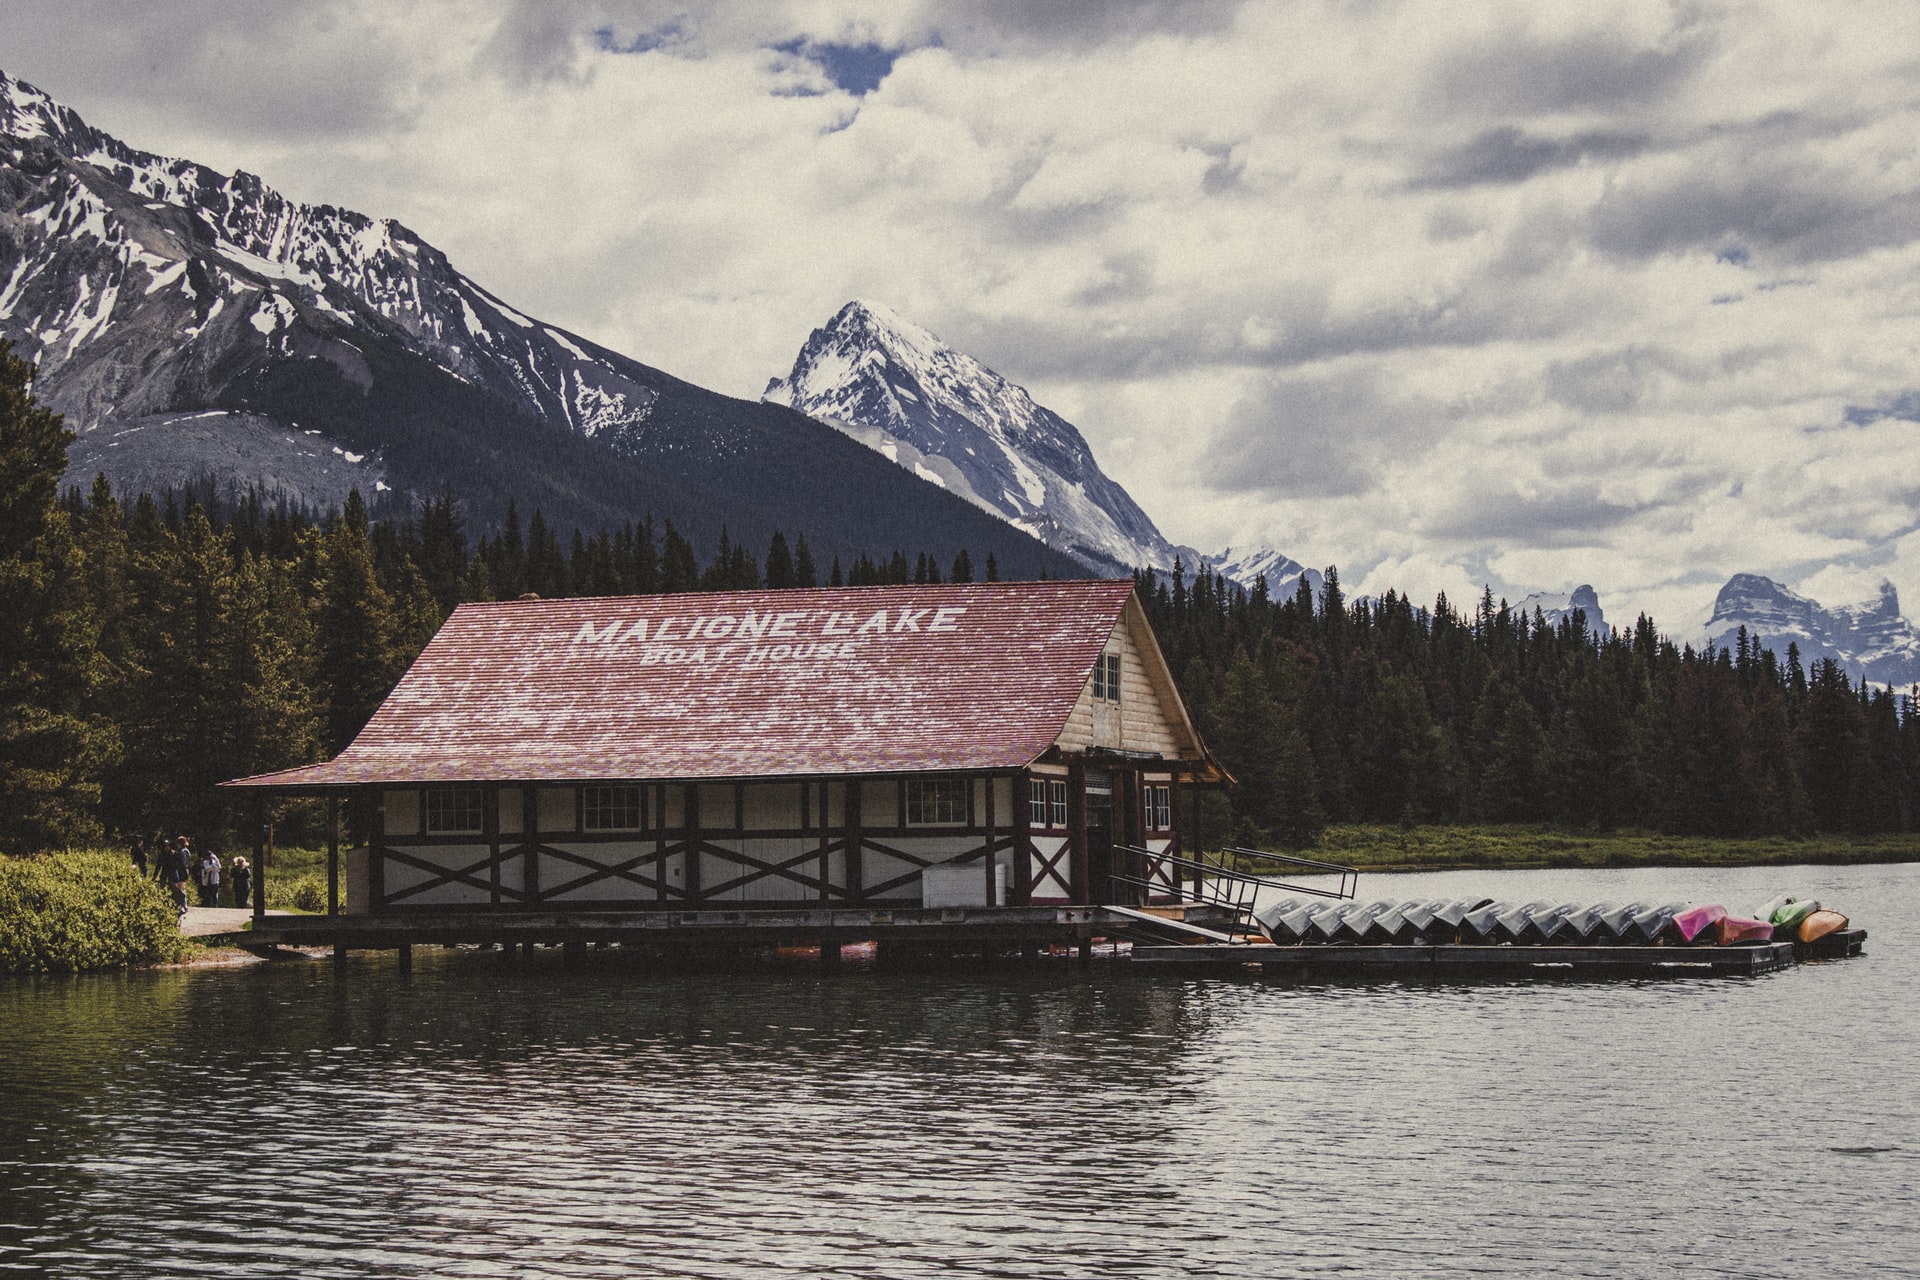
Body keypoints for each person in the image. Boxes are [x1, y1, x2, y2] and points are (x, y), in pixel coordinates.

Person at [196, 843, 222, 909]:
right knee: (207, 894)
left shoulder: (215, 861)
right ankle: (207, 906)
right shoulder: (205, 862)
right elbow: (207, 869)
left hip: (214, 880)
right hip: (207, 881)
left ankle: (215, 906)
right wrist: (213, 867)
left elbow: (218, 868)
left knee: (215, 894)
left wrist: (214, 862)